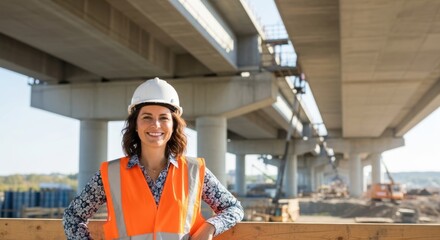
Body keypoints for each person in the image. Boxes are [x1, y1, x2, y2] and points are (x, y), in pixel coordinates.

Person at [63, 77, 244, 240]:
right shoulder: (110, 174)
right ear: (135, 125)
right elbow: (73, 217)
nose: (155, 125)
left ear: (173, 125)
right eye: (147, 117)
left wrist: (210, 227)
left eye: (163, 118)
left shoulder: (194, 172)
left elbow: (233, 208)